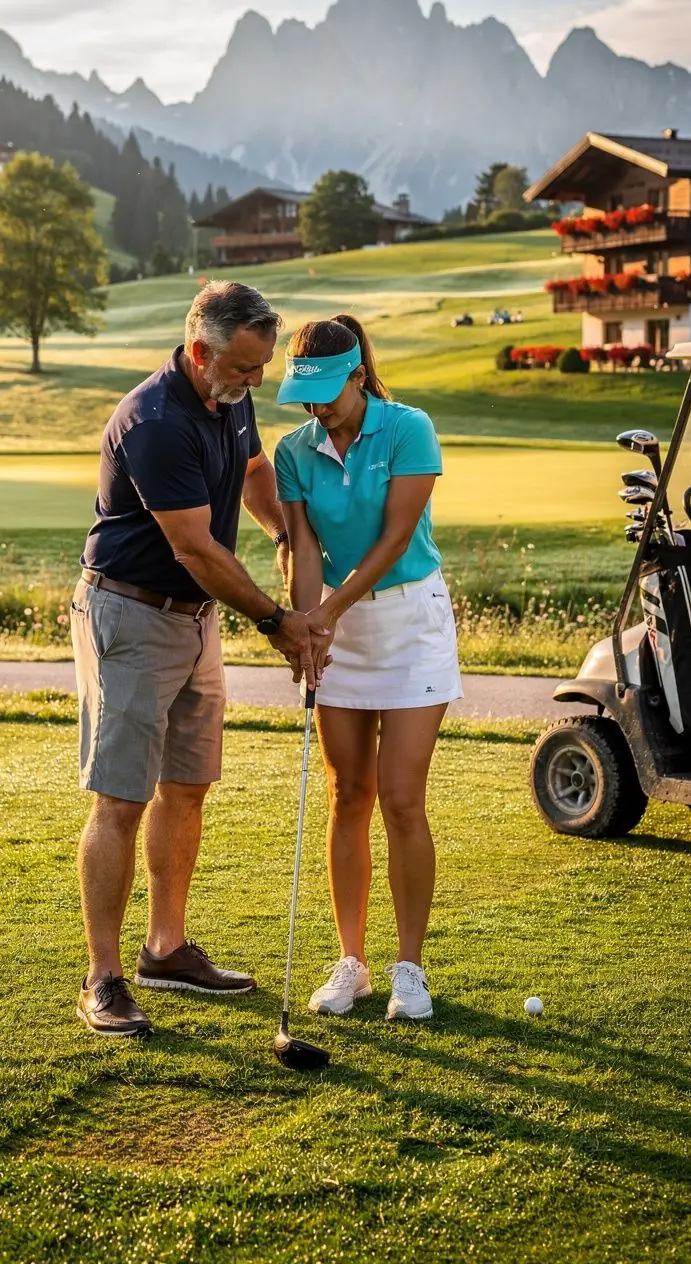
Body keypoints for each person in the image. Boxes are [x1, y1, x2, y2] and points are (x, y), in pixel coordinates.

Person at [73, 280, 327, 1037]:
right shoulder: (154, 421)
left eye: (260, 370)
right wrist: (277, 621)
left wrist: (284, 533)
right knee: (122, 798)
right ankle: (103, 977)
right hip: (130, 614)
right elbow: (195, 548)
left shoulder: (230, 396)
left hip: (194, 620)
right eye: (244, 370)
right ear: (198, 351)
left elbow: (251, 469)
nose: (254, 385)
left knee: (188, 788)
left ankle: (166, 947)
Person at [274, 314, 462, 1022]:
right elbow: (301, 550)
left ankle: (409, 969)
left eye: (328, 390)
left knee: (401, 798)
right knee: (346, 793)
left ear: (358, 374)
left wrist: (329, 611)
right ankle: (350, 964)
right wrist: (302, 631)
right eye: (306, 394)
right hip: (334, 628)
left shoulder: (408, 427)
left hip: (410, 621)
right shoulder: (294, 449)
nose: (317, 406)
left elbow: (395, 537)